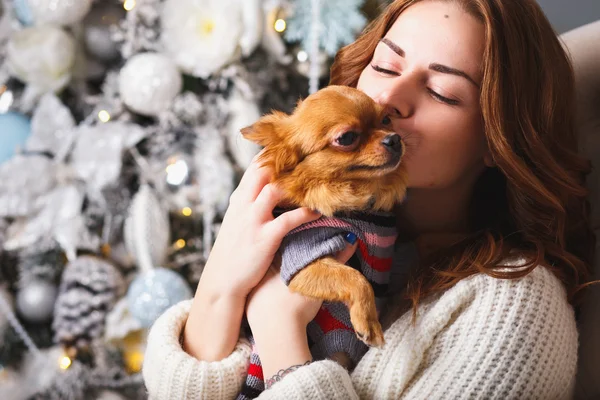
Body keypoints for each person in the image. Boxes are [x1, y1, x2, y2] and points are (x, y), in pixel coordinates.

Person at [142, 0, 595, 398]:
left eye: (440, 91)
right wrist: (220, 287)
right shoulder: (314, 222)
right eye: (385, 66)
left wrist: (279, 328)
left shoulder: (515, 311)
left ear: (499, 139)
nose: (388, 100)